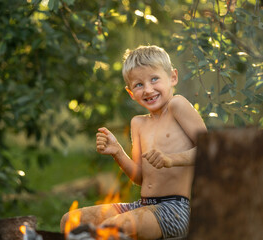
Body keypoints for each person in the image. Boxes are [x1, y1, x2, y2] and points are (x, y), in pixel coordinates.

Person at [60, 45, 207, 239]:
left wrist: (171, 159)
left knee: (113, 227)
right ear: (130, 92)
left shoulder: (177, 106)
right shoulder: (138, 123)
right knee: (70, 220)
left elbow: (211, 151)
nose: (148, 89)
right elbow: (139, 178)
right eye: (138, 84)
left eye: (154, 79)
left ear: (172, 77)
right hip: (143, 205)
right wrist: (118, 152)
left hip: (176, 209)